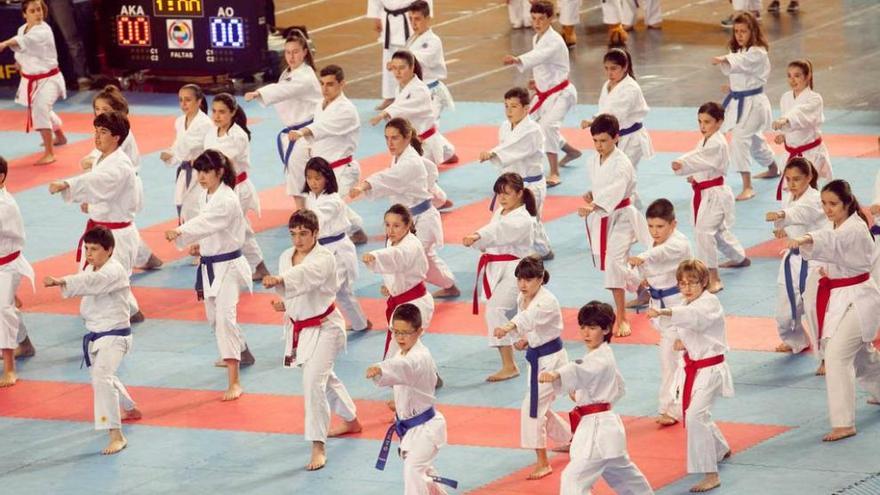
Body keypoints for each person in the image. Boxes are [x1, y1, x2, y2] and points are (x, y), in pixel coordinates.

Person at [263, 209, 362, 471]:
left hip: (326, 327)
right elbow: (302, 292)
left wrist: (281, 280)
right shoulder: (287, 255)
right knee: (325, 378)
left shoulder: (324, 258)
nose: (297, 239)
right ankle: (351, 419)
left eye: (304, 234)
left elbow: (306, 277)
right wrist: (286, 304)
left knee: (312, 383)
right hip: (303, 328)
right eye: (293, 234)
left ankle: (318, 445)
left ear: (316, 233)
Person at [788, 180, 880, 443]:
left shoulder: (855, 228)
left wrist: (806, 238)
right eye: (824, 204)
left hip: (860, 296)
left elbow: (830, 241)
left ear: (847, 203)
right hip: (841, 296)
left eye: (833, 204)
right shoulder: (835, 224)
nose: (828, 210)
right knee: (863, 357)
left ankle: (844, 423)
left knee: (838, 355)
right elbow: (826, 241)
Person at [164, 149, 255, 401]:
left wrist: (181, 232)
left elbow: (208, 222)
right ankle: (243, 351)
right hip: (212, 263)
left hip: (229, 266)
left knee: (225, 319)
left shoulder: (226, 199)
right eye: (199, 171)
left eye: (206, 172)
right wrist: (200, 245)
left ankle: (235, 382)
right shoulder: (208, 194)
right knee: (215, 319)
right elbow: (212, 228)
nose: (201, 176)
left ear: (220, 172)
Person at [43, 226, 143, 455]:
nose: (89, 253)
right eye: (86, 248)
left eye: (95, 249)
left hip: (115, 336)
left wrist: (61, 281)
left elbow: (91, 282)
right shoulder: (91, 266)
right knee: (103, 375)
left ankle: (116, 435)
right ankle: (130, 407)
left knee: (101, 376)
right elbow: (86, 278)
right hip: (98, 335)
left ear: (109, 250)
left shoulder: (114, 270)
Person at [539, 300, 654, 495]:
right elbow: (618, 387)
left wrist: (557, 374)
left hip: (598, 431)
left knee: (573, 480)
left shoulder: (599, 358)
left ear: (607, 329)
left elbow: (580, 368)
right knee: (627, 478)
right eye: (583, 327)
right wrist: (587, 396)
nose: (585, 333)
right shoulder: (603, 356)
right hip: (605, 427)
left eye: (592, 328)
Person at [47, 111, 145, 324]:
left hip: (117, 235)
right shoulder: (102, 158)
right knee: (99, 278)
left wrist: (68, 184)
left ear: (117, 137)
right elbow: (103, 190)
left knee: (109, 280)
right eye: (96, 131)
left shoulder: (120, 164)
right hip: (103, 231)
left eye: (103, 132)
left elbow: (98, 182)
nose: (97, 136)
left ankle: (118, 323)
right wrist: (92, 205)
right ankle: (129, 312)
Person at [647, 259, 734, 493]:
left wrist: (665, 310)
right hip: (694, 368)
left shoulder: (709, 302)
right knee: (694, 413)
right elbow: (685, 324)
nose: (686, 287)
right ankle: (720, 446)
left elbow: (694, 317)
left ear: (704, 282)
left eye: (692, 282)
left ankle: (711, 474)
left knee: (695, 416)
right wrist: (680, 340)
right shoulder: (687, 301)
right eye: (682, 283)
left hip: (711, 369)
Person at [352, 118, 460, 299]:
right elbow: (429, 171)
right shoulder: (401, 157)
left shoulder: (410, 162)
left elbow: (388, 177)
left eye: (394, 138)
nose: (390, 143)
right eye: (387, 138)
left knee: (415, 257)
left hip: (422, 219)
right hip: (407, 219)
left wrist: (364, 186)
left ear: (407, 136)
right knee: (420, 257)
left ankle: (409, 291)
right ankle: (446, 285)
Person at [366, 303, 456, 494]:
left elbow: (404, 368)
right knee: (423, 472)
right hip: (412, 428)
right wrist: (399, 405)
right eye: (395, 332)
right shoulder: (403, 351)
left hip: (426, 429)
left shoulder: (418, 357)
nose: (399, 337)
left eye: (405, 333)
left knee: (413, 472)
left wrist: (381, 369)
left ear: (420, 331)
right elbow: (409, 383)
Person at [494, 256, 571, 480]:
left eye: (528, 280)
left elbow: (528, 317)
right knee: (541, 407)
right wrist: (526, 340)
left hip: (553, 362)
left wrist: (509, 327)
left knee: (532, 409)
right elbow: (534, 325)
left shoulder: (547, 301)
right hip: (538, 358)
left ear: (540, 279)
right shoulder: (523, 297)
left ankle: (543, 462)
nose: (523, 284)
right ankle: (568, 439)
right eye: (520, 279)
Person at [464, 173, 537, 382]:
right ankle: (521, 340)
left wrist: (478, 236)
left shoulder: (523, 219)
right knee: (514, 313)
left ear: (519, 193)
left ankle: (510, 364)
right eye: (499, 193)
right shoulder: (500, 212)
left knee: (496, 310)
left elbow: (498, 231)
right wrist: (478, 240)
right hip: (498, 268)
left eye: (507, 193)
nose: (502, 198)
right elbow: (493, 233)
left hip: (518, 271)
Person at [626, 199, 692, 426]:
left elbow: (661, 255)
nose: (654, 232)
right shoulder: (654, 244)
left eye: (660, 227)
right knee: (675, 360)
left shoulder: (679, 243)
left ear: (673, 224)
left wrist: (642, 258)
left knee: (670, 360)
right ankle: (678, 403)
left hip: (680, 310)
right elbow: (652, 268)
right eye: (651, 227)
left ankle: (671, 409)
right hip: (660, 309)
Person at [83, 85, 162, 272]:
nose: (99, 113)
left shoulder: (121, 134)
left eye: (105, 110)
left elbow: (101, 163)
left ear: (117, 112)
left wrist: (90, 197)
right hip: (114, 185)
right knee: (114, 223)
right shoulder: (105, 132)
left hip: (121, 186)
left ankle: (123, 265)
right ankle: (145, 257)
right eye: (97, 109)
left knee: (116, 224)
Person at [672, 102, 750, 293]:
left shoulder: (717, 142)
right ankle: (740, 257)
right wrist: (695, 176)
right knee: (716, 232)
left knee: (704, 233)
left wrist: (682, 163)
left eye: (707, 122)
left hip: (715, 195)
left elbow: (700, 159)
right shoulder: (708, 140)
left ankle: (713, 278)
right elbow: (704, 160)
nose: (702, 126)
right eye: (700, 121)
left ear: (719, 122)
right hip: (707, 192)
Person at [579, 114, 645, 338]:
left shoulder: (622, 163)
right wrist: (593, 195)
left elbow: (616, 189)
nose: (599, 146)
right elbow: (602, 186)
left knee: (614, 264)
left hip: (623, 217)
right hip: (605, 215)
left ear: (616, 138)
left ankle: (622, 317)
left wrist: (596, 204)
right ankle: (643, 286)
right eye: (595, 141)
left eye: (604, 141)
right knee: (613, 264)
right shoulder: (593, 160)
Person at [502, 0, 580, 188]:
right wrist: (537, 82)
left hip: (562, 93)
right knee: (530, 123)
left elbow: (539, 56)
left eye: (541, 19)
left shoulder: (553, 40)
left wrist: (517, 59)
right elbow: (545, 66)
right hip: (546, 92)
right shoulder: (538, 38)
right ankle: (571, 151)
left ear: (551, 18)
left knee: (547, 126)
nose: (537, 23)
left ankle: (554, 172)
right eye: (534, 19)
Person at [289, 64, 368, 244]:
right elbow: (319, 136)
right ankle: (356, 230)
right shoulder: (320, 105)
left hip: (343, 168)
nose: (325, 89)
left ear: (342, 84)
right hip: (324, 170)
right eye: (322, 84)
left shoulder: (346, 109)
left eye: (330, 84)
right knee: (325, 204)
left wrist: (303, 132)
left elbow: (323, 128)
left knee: (328, 205)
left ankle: (333, 238)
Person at [245, 31, 321, 211]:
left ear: (304, 52)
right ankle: (302, 210)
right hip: (294, 132)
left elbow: (284, 91)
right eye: (287, 52)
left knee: (308, 177)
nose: (291, 56)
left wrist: (259, 93)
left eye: (295, 52)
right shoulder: (288, 73)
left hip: (306, 133)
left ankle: (306, 211)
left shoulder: (305, 76)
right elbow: (283, 89)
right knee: (295, 175)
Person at [369, 49, 454, 209]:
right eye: (394, 68)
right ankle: (439, 199)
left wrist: (385, 113)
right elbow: (400, 107)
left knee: (415, 178)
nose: (397, 72)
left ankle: (435, 202)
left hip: (425, 143)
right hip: (412, 143)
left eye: (402, 67)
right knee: (414, 178)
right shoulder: (400, 88)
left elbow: (405, 107)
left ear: (412, 67)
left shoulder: (420, 89)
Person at [479, 87, 553, 259]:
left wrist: (493, 153)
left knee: (530, 220)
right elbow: (507, 151)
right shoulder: (505, 127)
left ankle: (540, 251)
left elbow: (514, 149)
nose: (509, 111)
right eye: (506, 106)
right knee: (515, 218)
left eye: (513, 106)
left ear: (526, 108)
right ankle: (543, 250)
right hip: (512, 185)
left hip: (530, 184)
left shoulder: (533, 130)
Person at [203, 93, 270, 281]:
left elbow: (222, 162)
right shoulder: (211, 133)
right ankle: (258, 266)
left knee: (233, 228)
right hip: (220, 188)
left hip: (238, 187)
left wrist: (199, 164)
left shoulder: (238, 135)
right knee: (239, 228)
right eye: (214, 111)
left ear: (232, 112)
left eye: (222, 112)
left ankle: (249, 266)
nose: (216, 116)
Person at [712, 11, 777, 201]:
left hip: (754, 104)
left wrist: (724, 59)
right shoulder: (739, 51)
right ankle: (773, 167)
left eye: (743, 31)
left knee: (740, 138)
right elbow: (744, 73)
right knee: (754, 140)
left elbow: (743, 64)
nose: (739, 35)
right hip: (741, 101)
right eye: (736, 31)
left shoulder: (757, 52)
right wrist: (732, 87)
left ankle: (748, 186)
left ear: (753, 32)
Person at [764, 158, 826, 354]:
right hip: (792, 259)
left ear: (809, 178)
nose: (791, 184)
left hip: (815, 260)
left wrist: (783, 215)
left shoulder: (816, 198)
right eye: (788, 179)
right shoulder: (789, 196)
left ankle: (825, 354)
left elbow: (802, 214)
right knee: (784, 312)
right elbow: (788, 222)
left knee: (815, 310)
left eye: (796, 179)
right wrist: (782, 230)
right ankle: (796, 340)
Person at [303, 158, 371, 333]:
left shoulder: (332, 200)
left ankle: (320, 325)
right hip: (322, 249)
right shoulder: (311, 197)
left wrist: (299, 220)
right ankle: (360, 323)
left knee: (327, 290)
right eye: (309, 178)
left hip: (337, 250)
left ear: (327, 178)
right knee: (343, 292)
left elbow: (314, 218)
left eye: (317, 178)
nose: (313, 182)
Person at [581, 48, 653, 209]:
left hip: (631, 138)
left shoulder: (630, 88)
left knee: (624, 174)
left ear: (625, 67)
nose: (609, 73)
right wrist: (595, 119)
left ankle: (630, 209)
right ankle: (627, 206)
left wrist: (594, 122)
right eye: (606, 68)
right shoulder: (607, 85)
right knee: (615, 173)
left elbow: (617, 114)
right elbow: (604, 108)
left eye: (614, 68)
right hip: (613, 136)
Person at [361, 204, 434, 359]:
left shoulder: (410, 245)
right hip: (402, 301)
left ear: (407, 225)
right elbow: (397, 270)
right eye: (387, 225)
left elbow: (396, 256)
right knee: (404, 348)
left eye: (396, 226)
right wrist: (391, 288)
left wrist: (375, 256)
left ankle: (424, 375)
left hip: (415, 304)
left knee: (402, 348)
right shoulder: (392, 241)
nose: (390, 230)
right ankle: (428, 374)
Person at [0, 0, 66, 165]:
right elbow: (23, 49)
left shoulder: (43, 30)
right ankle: (60, 136)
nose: (38, 13)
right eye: (33, 11)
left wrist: (5, 44)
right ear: (24, 14)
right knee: (42, 108)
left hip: (49, 79)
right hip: (32, 79)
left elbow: (26, 41)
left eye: (39, 10)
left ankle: (50, 153)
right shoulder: (22, 29)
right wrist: (19, 62)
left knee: (40, 109)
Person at [405, 0, 457, 165]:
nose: (414, 23)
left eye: (418, 19)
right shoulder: (412, 39)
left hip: (432, 91)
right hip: (417, 90)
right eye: (411, 19)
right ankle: (447, 152)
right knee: (419, 127)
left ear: (428, 19)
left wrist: (399, 59)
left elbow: (421, 59)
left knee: (426, 129)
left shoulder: (433, 40)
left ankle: (425, 164)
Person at [772, 59, 832, 200]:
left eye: (797, 75)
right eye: (789, 76)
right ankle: (792, 217)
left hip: (810, 153)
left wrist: (786, 120)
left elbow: (801, 114)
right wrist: (783, 135)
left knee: (808, 192)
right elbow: (789, 125)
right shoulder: (786, 97)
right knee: (792, 192)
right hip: (792, 153)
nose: (792, 80)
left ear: (807, 76)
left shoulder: (815, 99)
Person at [0, 156, 36, 387]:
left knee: (2, 310)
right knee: (6, 306)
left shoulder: (4, 205)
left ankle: (10, 368)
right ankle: (24, 343)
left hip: (6, 265)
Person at [160, 84, 213, 226]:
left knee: (196, 206)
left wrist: (173, 153)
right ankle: (192, 241)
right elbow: (178, 145)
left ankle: (200, 242)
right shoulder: (179, 121)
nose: (183, 104)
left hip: (202, 171)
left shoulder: (205, 123)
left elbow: (189, 146)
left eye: (188, 100)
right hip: (185, 170)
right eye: (180, 100)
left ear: (199, 101)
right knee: (181, 203)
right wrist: (169, 155)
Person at [366, 0, 434, 110]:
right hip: (388, 19)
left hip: (410, 19)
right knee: (389, 59)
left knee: (414, 59)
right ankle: (390, 97)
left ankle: (420, 96)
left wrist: (425, 16)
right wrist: (376, 17)